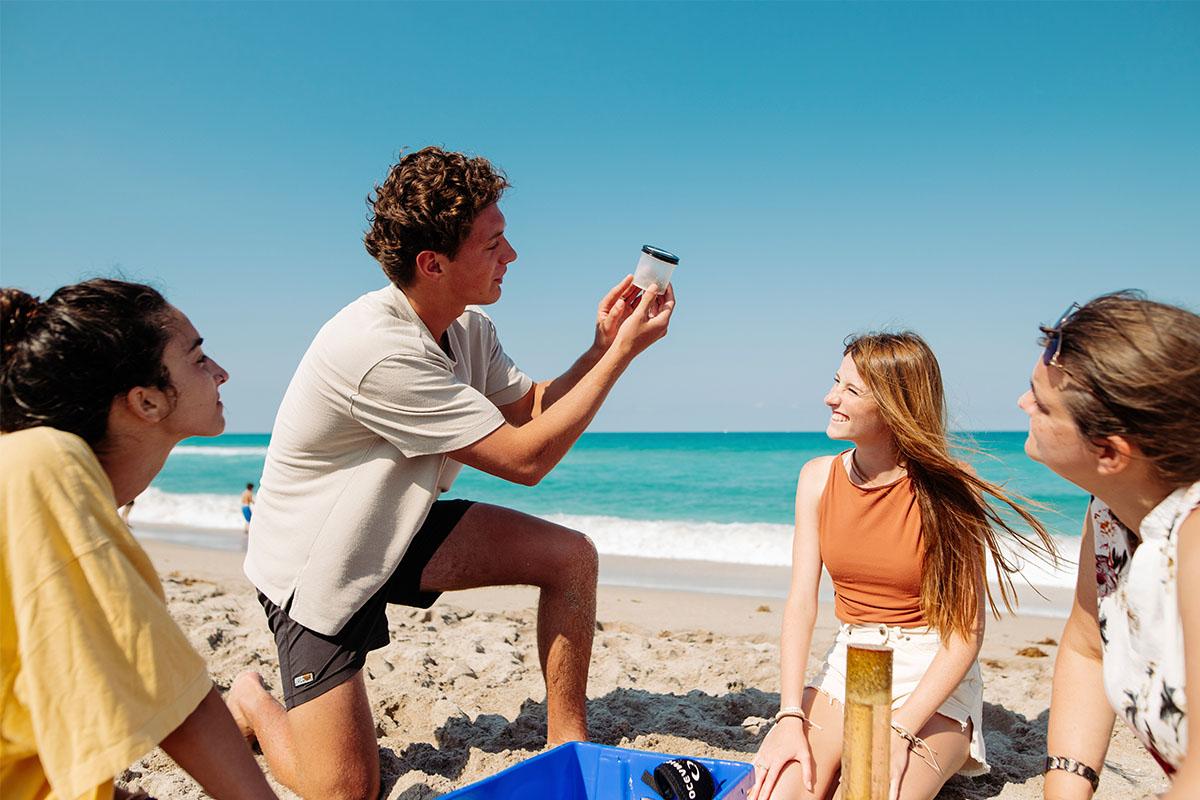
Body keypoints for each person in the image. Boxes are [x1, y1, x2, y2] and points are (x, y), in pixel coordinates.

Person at [229, 146, 676, 800]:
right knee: (347, 791)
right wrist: (626, 356)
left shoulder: (469, 329)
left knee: (569, 557)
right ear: (432, 264)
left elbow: (530, 410)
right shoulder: (379, 351)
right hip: (315, 565)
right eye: (494, 243)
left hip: (395, 527)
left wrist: (603, 345)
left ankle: (568, 746)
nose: (513, 255)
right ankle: (249, 700)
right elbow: (527, 460)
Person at [0, 279, 278, 800]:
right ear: (146, 401)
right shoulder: (41, 466)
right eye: (197, 359)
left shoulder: (29, 470)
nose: (221, 372)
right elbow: (168, 687)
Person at [749, 332, 1056, 800]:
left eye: (851, 390)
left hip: (928, 673)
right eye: (836, 382)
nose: (830, 397)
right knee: (779, 792)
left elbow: (963, 637)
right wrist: (789, 714)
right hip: (856, 663)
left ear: (896, 405)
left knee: (869, 791)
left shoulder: (952, 491)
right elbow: (800, 604)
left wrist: (899, 730)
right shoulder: (817, 478)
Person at [1019, 293, 1200, 799]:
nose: (1022, 404)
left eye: (1041, 401)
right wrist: (1066, 788)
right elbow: (1087, 649)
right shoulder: (1109, 516)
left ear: (1110, 452)